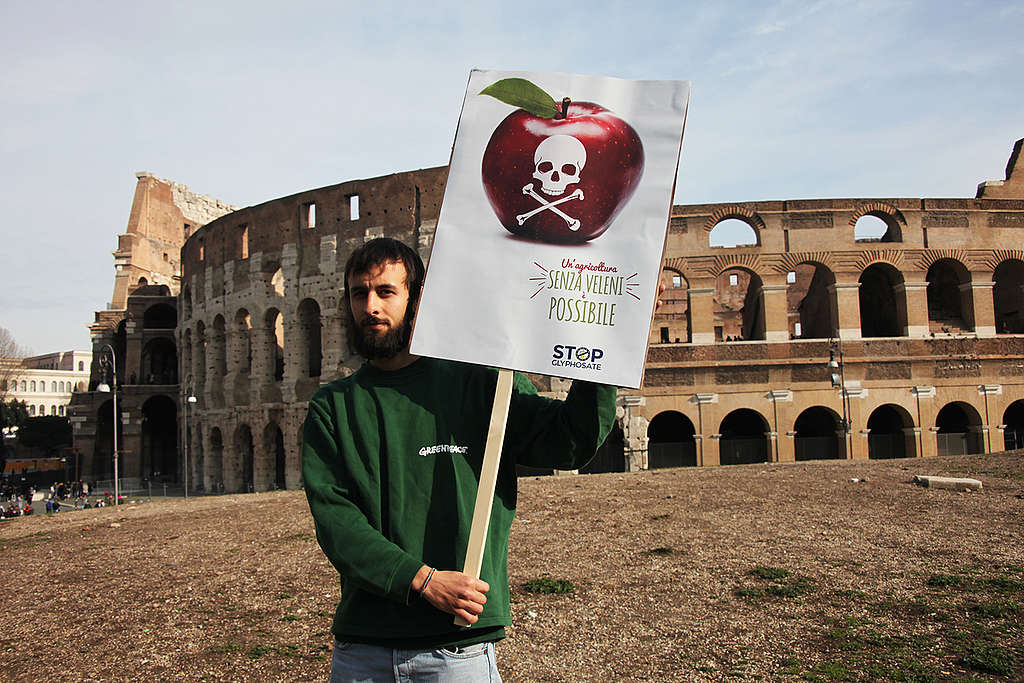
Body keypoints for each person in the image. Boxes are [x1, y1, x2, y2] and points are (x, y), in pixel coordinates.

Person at [302, 237, 617, 682]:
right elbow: (337, 522)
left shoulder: (479, 381)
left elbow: (569, 441)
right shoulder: (333, 407)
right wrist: (423, 580)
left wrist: (601, 351)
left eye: (386, 292)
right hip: (362, 648)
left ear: (418, 299)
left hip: (455, 650)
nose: (370, 307)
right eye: (359, 293)